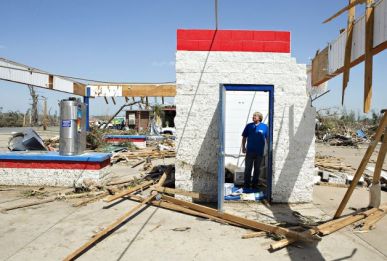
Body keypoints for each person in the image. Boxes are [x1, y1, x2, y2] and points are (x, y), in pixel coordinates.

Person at [241, 111, 268, 189]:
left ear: (259, 118)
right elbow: (244, 137)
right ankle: (246, 185)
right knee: (248, 169)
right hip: (250, 151)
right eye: (253, 116)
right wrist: (243, 147)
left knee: (257, 169)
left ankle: (254, 185)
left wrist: (268, 149)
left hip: (259, 152)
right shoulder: (249, 126)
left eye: (255, 116)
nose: (253, 117)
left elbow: (268, 138)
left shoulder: (265, 127)